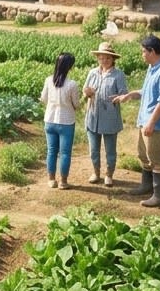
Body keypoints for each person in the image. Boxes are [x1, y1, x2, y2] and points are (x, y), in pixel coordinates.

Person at [112, 35, 160, 207]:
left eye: (143, 51)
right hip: (145, 120)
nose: (142, 55)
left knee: (156, 158)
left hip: (155, 124)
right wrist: (130, 95)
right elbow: (147, 90)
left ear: (152, 51)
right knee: (143, 155)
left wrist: (152, 122)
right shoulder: (152, 68)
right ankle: (146, 186)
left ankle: (159, 195)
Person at [82, 42, 128, 187]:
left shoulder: (118, 75)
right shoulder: (92, 73)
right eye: (101, 58)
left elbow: (123, 93)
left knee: (110, 150)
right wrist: (87, 93)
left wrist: (118, 98)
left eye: (107, 58)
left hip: (110, 116)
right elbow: (85, 90)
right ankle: (96, 172)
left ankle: (109, 174)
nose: (104, 61)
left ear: (113, 59)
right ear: (98, 58)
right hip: (93, 115)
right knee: (93, 149)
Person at [40, 52, 80, 190]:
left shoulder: (48, 80)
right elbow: (76, 104)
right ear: (69, 67)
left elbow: (43, 99)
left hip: (50, 119)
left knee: (51, 151)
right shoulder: (72, 84)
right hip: (66, 121)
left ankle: (51, 180)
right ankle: (63, 181)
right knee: (65, 153)